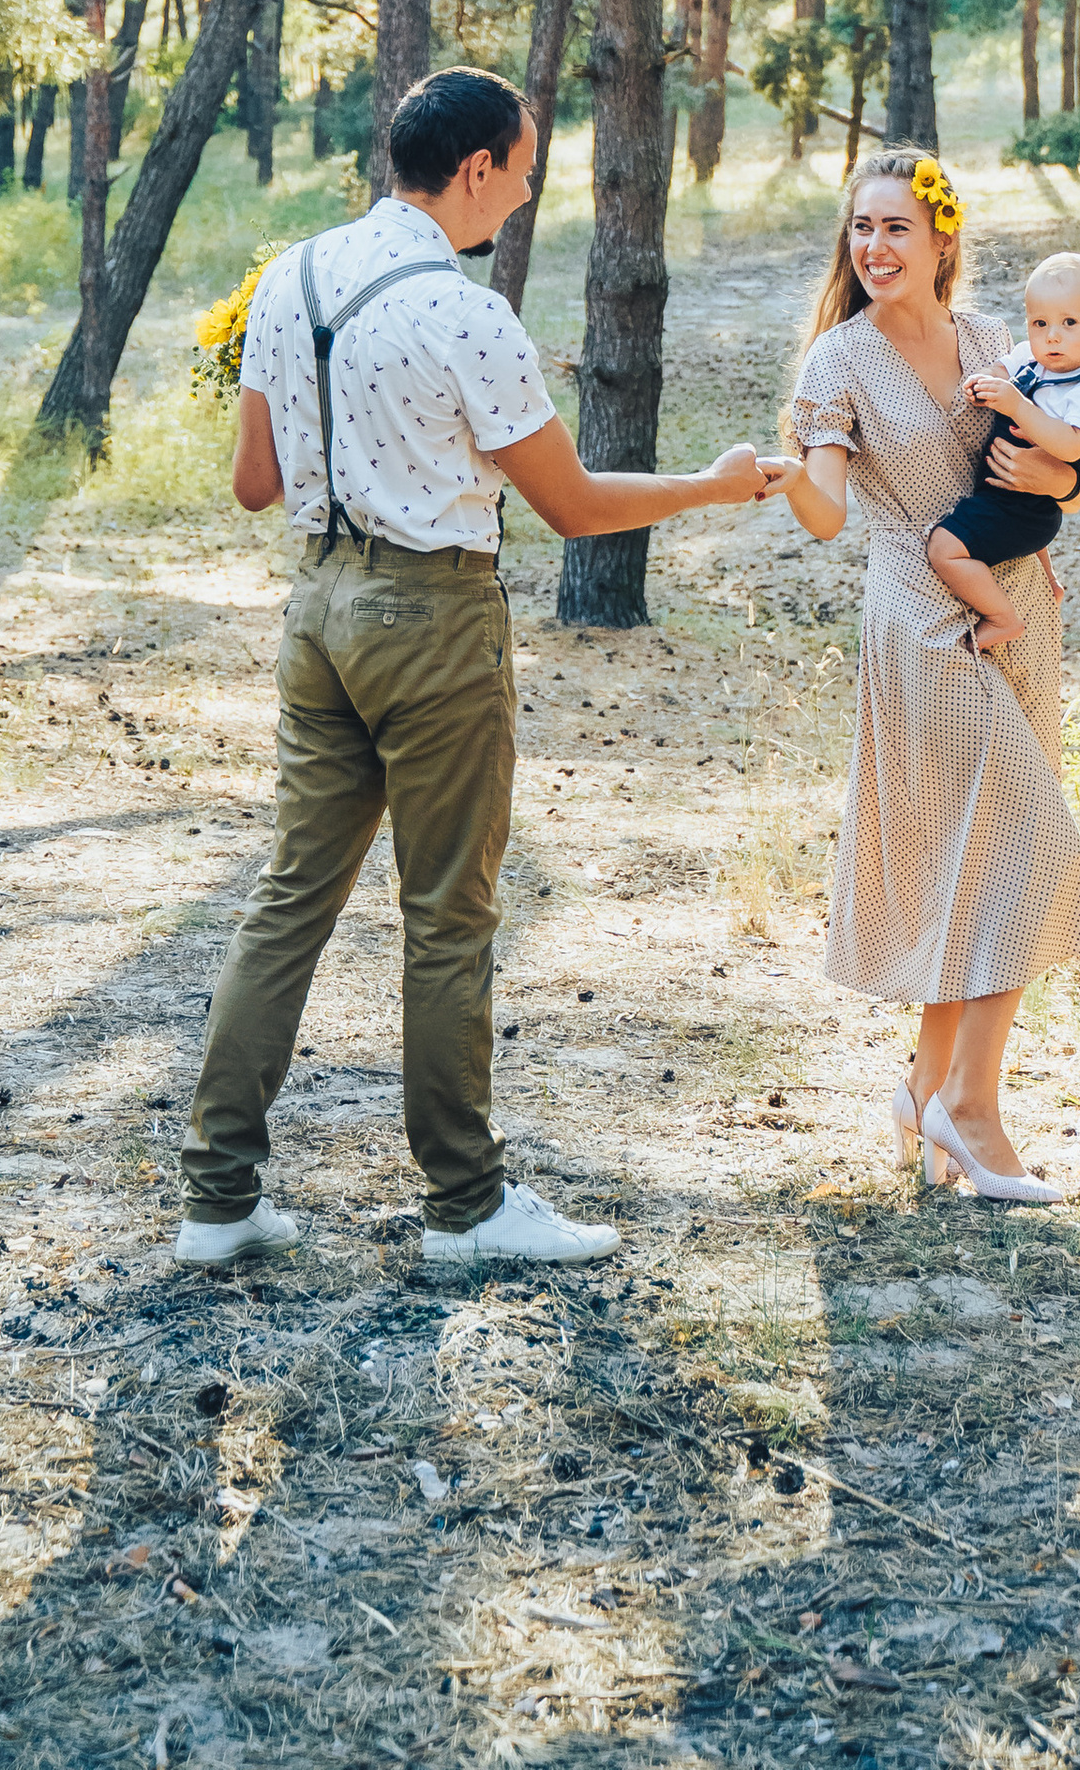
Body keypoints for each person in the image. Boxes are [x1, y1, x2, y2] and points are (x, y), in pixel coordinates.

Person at [174, 64, 774, 1273]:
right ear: (479, 168)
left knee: (290, 897)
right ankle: (466, 1204)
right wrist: (715, 485)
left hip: (317, 609)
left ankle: (218, 1197)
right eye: (527, 167)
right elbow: (571, 506)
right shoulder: (464, 313)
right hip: (431, 618)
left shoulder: (287, 278)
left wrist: (344, 434)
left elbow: (252, 484)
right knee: (447, 913)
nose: (529, 190)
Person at [763, 149, 1080, 1207]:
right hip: (924, 622)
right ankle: (971, 1107)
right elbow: (829, 516)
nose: (873, 248)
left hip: (1019, 610)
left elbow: (1061, 478)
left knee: (979, 859)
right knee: (1023, 845)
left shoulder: (989, 343)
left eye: (895, 228)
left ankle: (926, 1091)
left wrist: (1060, 479)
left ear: (941, 240)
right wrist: (790, 469)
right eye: (860, 229)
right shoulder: (837, 360)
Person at [928, 249, 1080, 648]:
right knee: (1020, 528)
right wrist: (986, 379)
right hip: (1008, 493)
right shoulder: (1035, 359)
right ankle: (1049, 581)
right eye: (1039, 322)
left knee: (943, 548)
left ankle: (1001, 618)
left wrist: (1017, 404)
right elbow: (1003, 367)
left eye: (1069, 323)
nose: (1052, 335)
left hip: (1023, 506)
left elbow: (1070, 447)